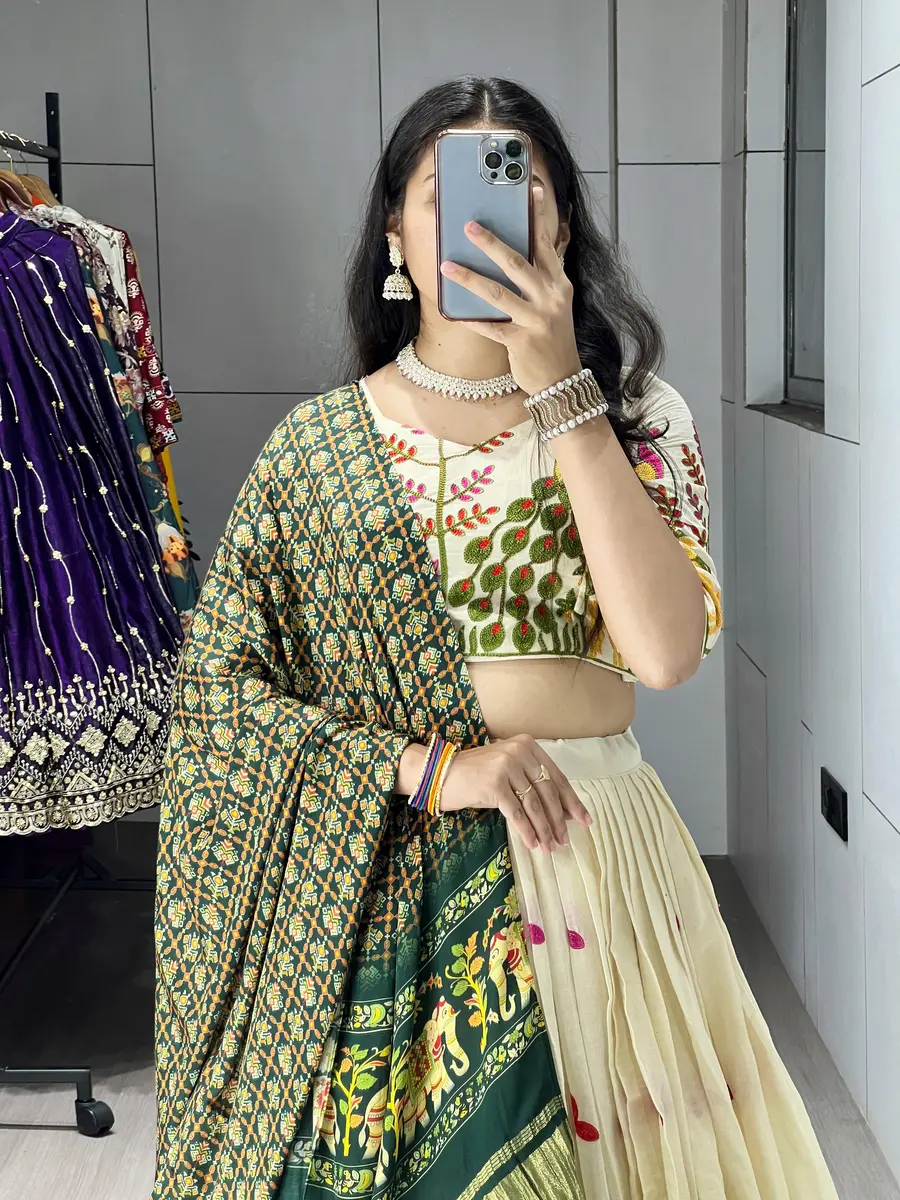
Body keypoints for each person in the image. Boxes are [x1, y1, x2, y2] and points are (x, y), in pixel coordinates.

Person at [153, 78, 838, 1199]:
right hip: (377, 880)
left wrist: (563, 392)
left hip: (586, 865)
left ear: (559, 225)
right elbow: (218, 700)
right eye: (444, 194)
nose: (479, 223)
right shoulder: (315, 449)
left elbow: (665, 653)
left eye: (518, 190)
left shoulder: (638, 417)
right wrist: (431, 769)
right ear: (396, 231)